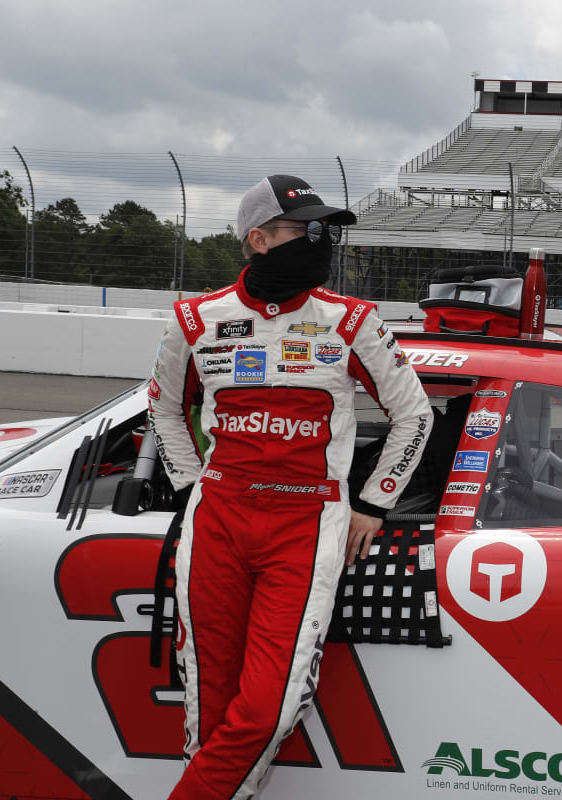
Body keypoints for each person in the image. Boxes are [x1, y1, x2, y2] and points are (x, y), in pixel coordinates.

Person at [148, 174, 433, 799]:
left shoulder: (352, 320)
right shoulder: (196, 319)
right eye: (305, 230)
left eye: (324, 230)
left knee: (269, 709)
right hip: (218, 520)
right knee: (209, 707)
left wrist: (373, 503)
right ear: (258, 240)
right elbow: (164, 410)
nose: (320, 241)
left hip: (307, 525)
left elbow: (415, 414)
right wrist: (191, 487)